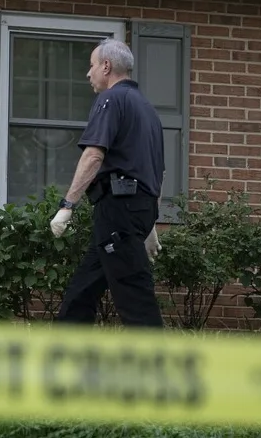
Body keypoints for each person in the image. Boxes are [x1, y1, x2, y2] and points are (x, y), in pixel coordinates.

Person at [49, 38, 165, 328]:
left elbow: (93, 155)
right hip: (133, 211)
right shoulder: (148, 110)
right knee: (82, 291)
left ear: (106, 66)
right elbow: (155, 171)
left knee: (135, 296)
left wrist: (67, 205)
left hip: (119, 210)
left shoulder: (111, 99)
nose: (88, 74)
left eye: (91, 66)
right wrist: (150, 224)